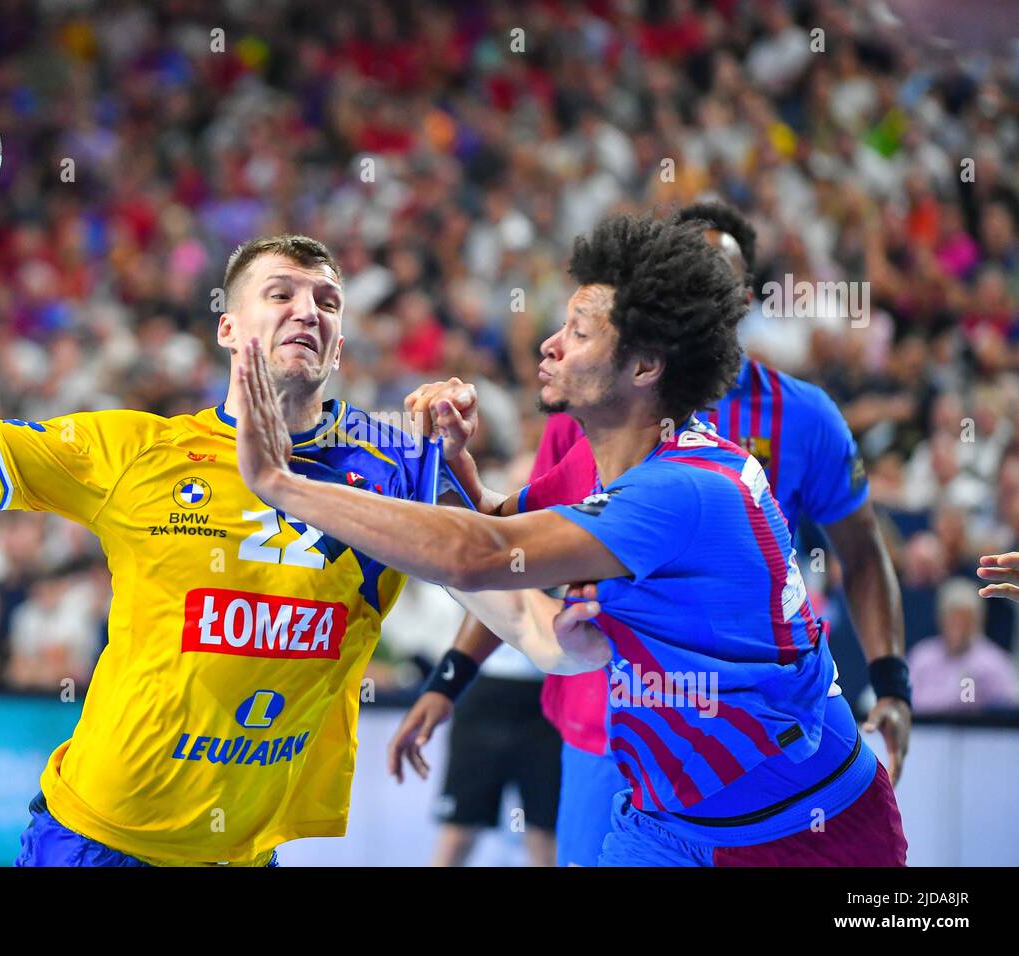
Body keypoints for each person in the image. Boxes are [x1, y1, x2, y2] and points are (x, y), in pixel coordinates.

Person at [234, 212, 908, 865]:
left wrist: (283, 483)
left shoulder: (688, 487)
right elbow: (498, 527)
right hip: (666, 823)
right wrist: (450, 463)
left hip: (803, 829)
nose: (550, 344)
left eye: (578, 333)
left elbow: (480, 557)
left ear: (644, 367)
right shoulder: (603, 462)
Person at [0, 160, 468, 866]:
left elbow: (517, 596)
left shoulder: (399, 465)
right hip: (96, 842)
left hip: (240, 854)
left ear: (340, 342)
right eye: (281, 294)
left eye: (327, 301)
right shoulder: (136, 450)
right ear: (229, 330)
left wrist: (469, 483)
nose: (308, 310)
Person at [909, 578, 1019, 713]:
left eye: (965, 620)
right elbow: (905, 703)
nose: (958, 628)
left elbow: (1008, 710)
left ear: (978, 621)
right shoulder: (922, 657)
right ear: (941, 619)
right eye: (953, 619)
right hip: (924, 731)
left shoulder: (994, 663)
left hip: (974, 731)